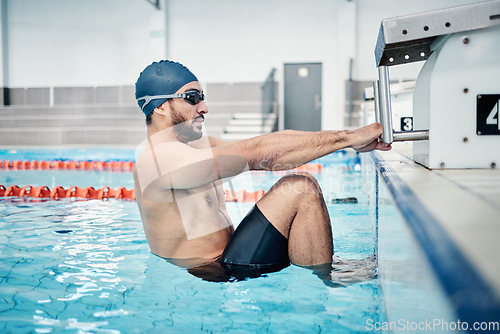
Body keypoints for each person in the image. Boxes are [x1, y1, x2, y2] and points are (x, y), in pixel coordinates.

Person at [133, 60, 391, 283]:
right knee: (301, 188)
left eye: (203, 97)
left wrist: (349, 142)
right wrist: (349, 137)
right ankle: (323, 279)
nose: (204, 107)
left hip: (234, 257)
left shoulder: (195, 147)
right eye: (192, 98)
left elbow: (271, 157)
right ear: (160, 107)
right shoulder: (156, 159)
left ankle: (321, 265)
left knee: (301, 184)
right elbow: (257, 153)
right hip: (212, 272)